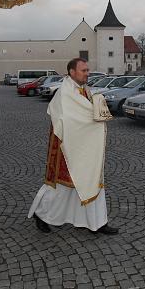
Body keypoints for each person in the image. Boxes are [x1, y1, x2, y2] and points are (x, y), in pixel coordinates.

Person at [28, 58, 117, 235]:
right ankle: (42, 214)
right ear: (72, 72)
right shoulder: (64, 93)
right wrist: (93, 121)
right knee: (62, 188)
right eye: (83, 70)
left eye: (87, 70)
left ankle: (97, 223)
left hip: (86, 147)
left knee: (93, 181)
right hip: (67, 148)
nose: (87, 73)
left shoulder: (85, 90)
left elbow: (89, 114)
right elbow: (66, 120)